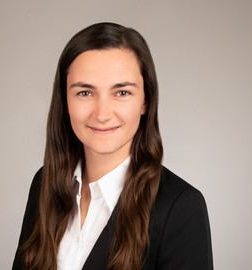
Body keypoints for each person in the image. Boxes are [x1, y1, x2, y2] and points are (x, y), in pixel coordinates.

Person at [12, 22, 213, 270]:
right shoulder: (44, 184)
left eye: (122, 93)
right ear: (65, 101)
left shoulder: (180, 207)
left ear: (145, 101)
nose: (102, 113)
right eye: (85, 93)